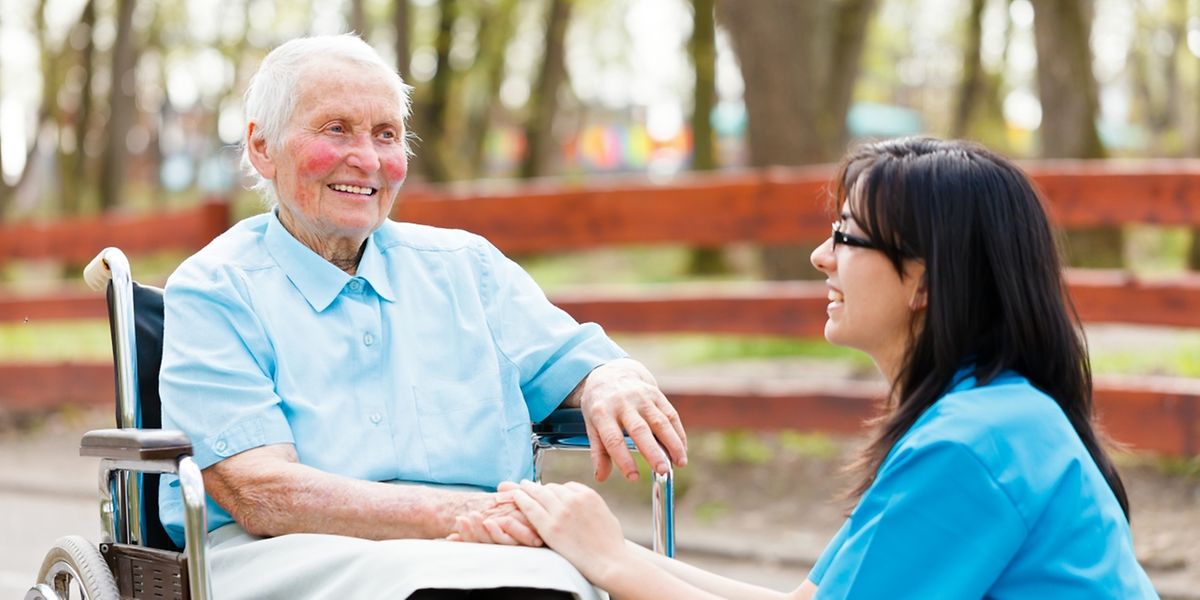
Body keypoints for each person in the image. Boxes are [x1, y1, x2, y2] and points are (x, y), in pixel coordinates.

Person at [467, 137, 1160, 599]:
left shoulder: (970, 446)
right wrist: (603, 549)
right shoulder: (993, 413)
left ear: (924, 283)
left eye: (848, 237)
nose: (820, 257)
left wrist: (610, 561)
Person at [156, 34, 687, 599]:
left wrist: (613, 379)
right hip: (289, 551)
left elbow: (578, 358)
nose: (366, 159)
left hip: (496, 546)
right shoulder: (215, 289)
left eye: (386, 135)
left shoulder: (467, 268)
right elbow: (262, 493)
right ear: (262, 148)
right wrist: (464, 513)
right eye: (336, 129)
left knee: (571, 583)